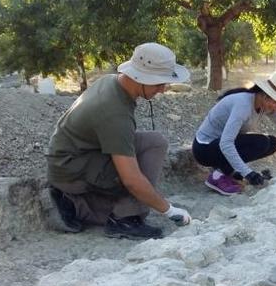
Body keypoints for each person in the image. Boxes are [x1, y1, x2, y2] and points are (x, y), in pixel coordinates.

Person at [46, 42, 193, 240]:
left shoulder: (113, 82)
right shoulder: (114, 114)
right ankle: (122, 219)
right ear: (141, 77)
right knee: (134, 179)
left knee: (155, 143)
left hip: (80, 154)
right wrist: (169, 210)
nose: (163, 90)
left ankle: (84, 204)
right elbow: (132, 180)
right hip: (69, 169)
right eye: (159, 83)